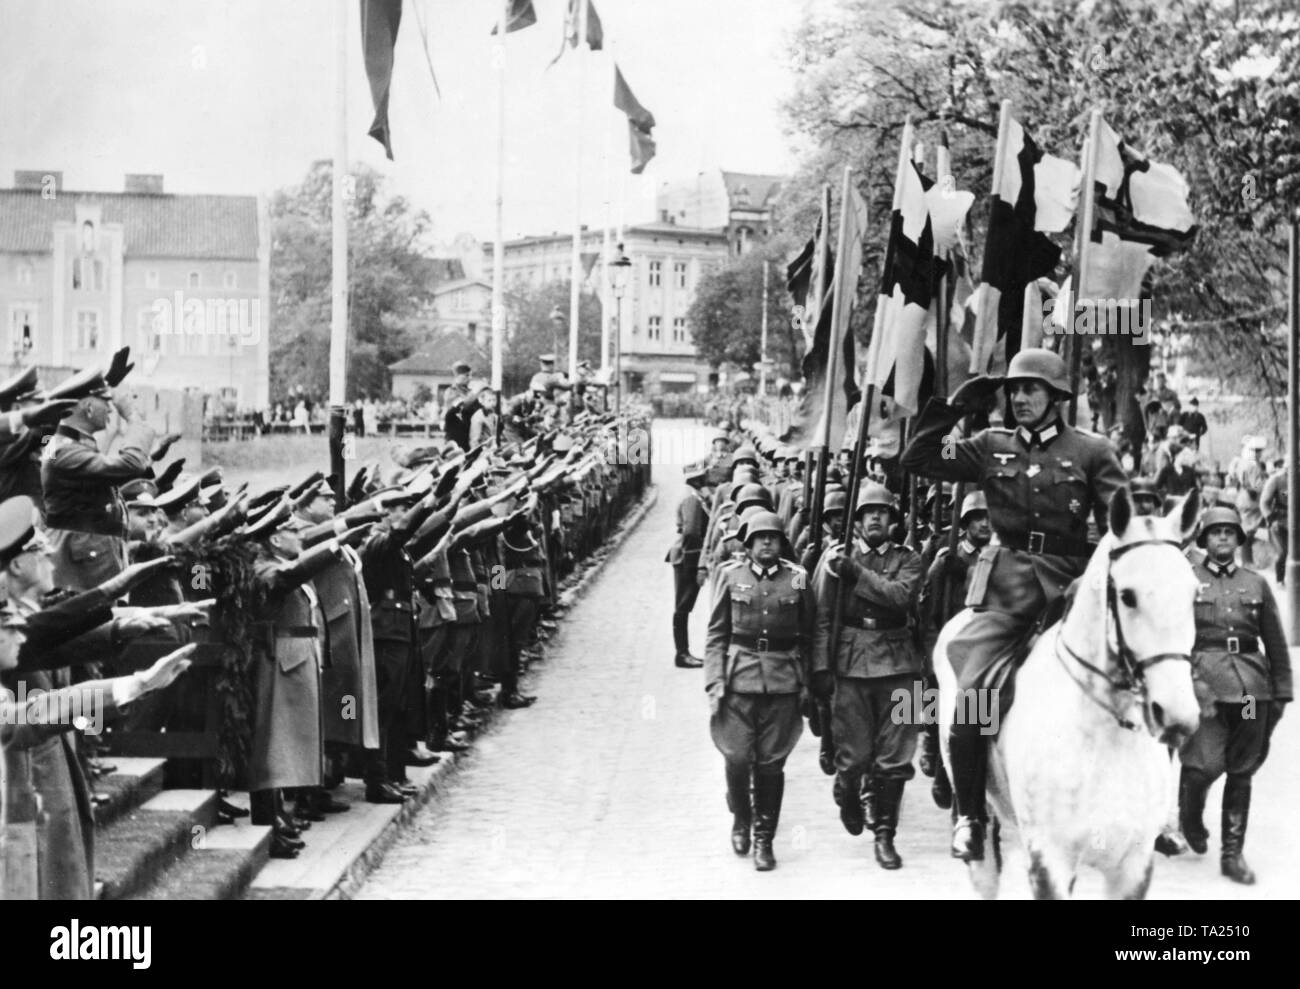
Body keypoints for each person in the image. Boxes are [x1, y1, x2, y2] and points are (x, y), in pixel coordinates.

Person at [900, 347, 1127, 861]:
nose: (1021, 398)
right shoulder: (988, 446)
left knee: (1142, 675)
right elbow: (916, 459)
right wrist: (955, 408)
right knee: (973, 695)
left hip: (1071, 590)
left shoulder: (1092, 451)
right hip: (1005, 593)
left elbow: (1122, 524)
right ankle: (969, 816)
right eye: (1015, 390)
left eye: (1032, 389)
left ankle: (1153, 810)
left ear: (1056, 397)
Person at [812, 483, 923, 870]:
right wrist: (821, 667)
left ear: (893, 521)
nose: (875, 518)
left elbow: (900, 598)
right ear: (856, 521)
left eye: (883, 512)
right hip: (851, 660)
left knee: (896, 756)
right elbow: (824, 616)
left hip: (901, 660)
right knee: (854, 755)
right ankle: (846, 789)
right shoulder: (835, 558)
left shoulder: (909, 558)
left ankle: (885, 834)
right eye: (867, 513)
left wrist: (855, 572)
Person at [1179, 506, 1291, 884]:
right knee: (1203, 765)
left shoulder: (1255, 583)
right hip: (1206, 690)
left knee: (1242, 767)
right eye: (1215, 532)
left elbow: (1274, 639)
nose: (1223, 538)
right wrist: (1189, 678)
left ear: (1239, 539)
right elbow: (1175, 638)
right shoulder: (1186, 580)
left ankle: (1232, 853)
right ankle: (1190, 817)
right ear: (1205, 540)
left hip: (1248, 692)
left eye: (1230, 532)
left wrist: (1281, 692)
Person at [705, 510, 814, 871]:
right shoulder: (729, 575)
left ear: (782, 543)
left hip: (783, 679)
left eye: (774, 537)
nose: (767, 542)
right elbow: (717, 634)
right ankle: (742, 818)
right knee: (736, 756)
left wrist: (808, 680)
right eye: (760, 537)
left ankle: (764, 838)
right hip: (739, 678)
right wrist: (714, 679)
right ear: (748, 543)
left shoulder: (797, 579)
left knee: (771, 764)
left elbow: (809, 632)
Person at [41, 369, 157, 591]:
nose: (112, 408)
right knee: (99, 621)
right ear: (89, 408)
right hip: (83, 560)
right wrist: (134, 418)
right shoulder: (63, 450)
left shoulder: (72, 444)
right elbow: (130, 464)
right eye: (106, 402)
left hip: (91, 554)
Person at [918, 489, 991, 808]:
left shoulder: (996, 556)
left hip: (981, 645)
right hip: (948, 645)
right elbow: (927, 608)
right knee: (939, 706)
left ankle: (958, 777)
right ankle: (935, 756)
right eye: (978, 519)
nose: (985, 525)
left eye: (989, 518)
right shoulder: (946, 556)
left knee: (977, 715)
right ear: (965, 523)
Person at [666, 467, 710, 669]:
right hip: (688, 557)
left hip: (685, 555)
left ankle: (683, 652)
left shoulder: (692, 495)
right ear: (698, 479)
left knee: (683, 606)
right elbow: (692, 532)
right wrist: (698, 564)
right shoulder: (692, 498)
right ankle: (682, 654)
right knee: (683, 606)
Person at [1227, 436, 1269, 566]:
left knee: (1248, 530)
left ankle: (1247, 559)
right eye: (1259, 451)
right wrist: (1267, 483)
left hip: (1243, 498)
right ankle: (1247, 561)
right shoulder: (1253, 465)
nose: (1261, 454)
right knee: (1249, 531)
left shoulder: (1242, 462)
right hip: (1251, 501)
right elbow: (1257, 485)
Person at [1260, 462, 1289, 585]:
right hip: (1279, 520)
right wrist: (1270, 519)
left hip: (1296, 521)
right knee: (1282, 552)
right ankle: (1280, 580)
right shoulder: (1277, 479)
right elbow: (1264, 502)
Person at [468, 382, 500, 449]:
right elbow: (474, 441)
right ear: (482, 401)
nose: (492, 403)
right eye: (489, 400)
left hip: (492, 449)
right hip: (482, 450)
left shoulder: (494, 416)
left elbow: (494, 436)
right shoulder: (478, 417)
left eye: (494, 400)